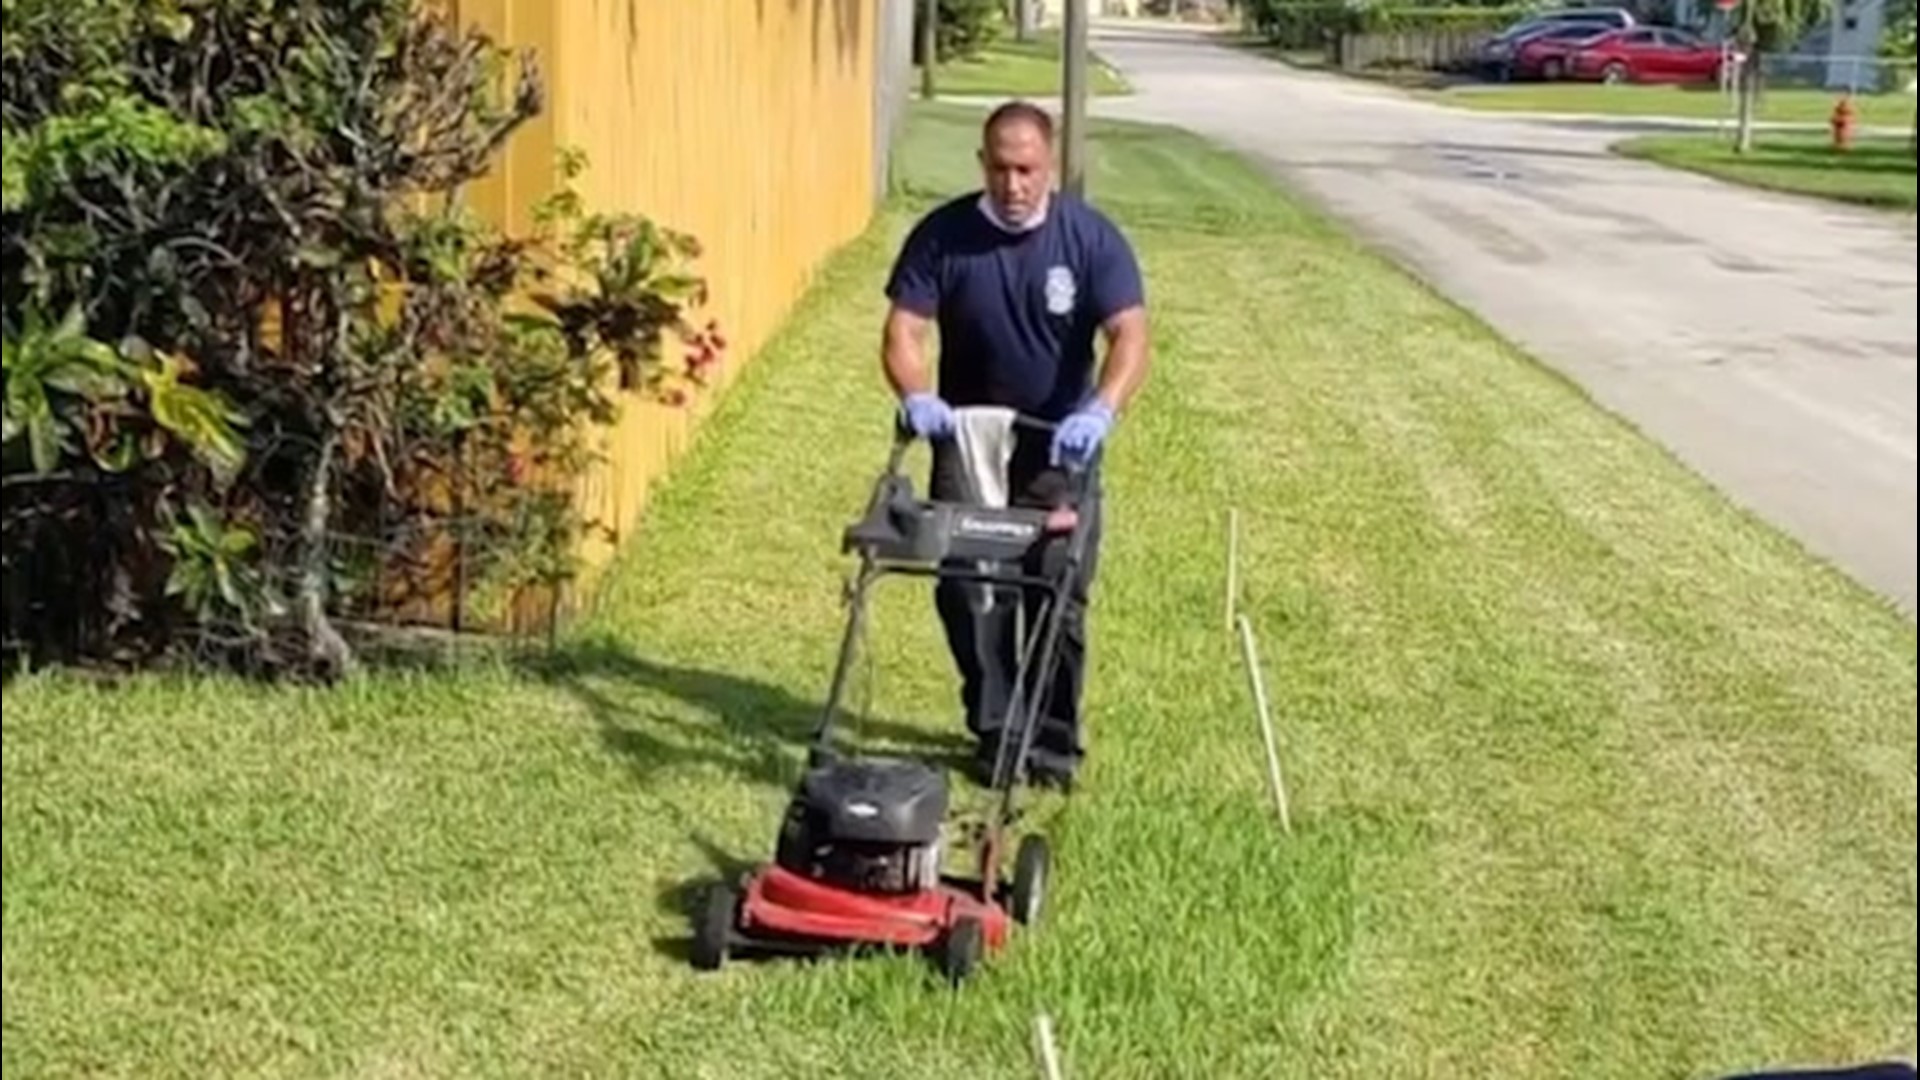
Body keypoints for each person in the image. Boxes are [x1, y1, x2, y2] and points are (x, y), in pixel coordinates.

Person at [877, 99, 1151, 789]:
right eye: (999, 168)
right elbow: (904, 331)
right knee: (967, 588)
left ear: (1049, 166)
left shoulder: (1090, 240)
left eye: (1027, 169)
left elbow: (1131, 336)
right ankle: (997, 730)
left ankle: (1054, 746)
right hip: (967, 439)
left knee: (1057, 584)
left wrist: (1101, 410)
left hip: (1060, 446)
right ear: (981, 164)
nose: (1013, 184)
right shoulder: (943, 237)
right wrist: (917, 395)